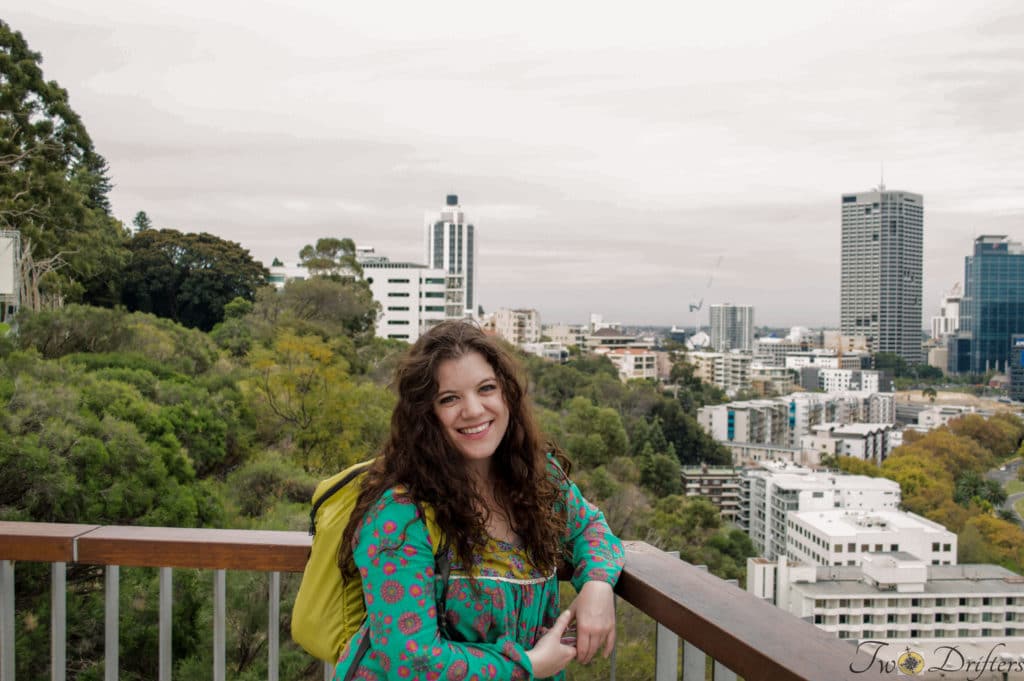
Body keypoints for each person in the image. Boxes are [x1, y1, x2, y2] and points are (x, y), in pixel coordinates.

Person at [335, 320, 625, 681]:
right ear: (425, 415)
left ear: (507, 395)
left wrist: (598, 585)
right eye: (449, 398)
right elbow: (411, 659)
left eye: (486, 388)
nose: (473, 410)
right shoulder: (401, 514)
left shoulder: (537, 479)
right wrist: (528, 666)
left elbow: (590, 528)